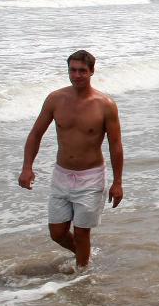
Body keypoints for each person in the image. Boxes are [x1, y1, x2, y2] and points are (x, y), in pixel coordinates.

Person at [19, 50, 124, 270]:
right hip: (62, 174)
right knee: (56, 232)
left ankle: (82, 275)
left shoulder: (105, 105)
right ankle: (84, 256)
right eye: (72, 70)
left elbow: (115, 145)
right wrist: (27, 167)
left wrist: (117, 182)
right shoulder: (56, 99)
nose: (76, 75)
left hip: (91, 176)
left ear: (92, 72)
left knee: (82, 231)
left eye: (82, 71)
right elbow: (35, 134)